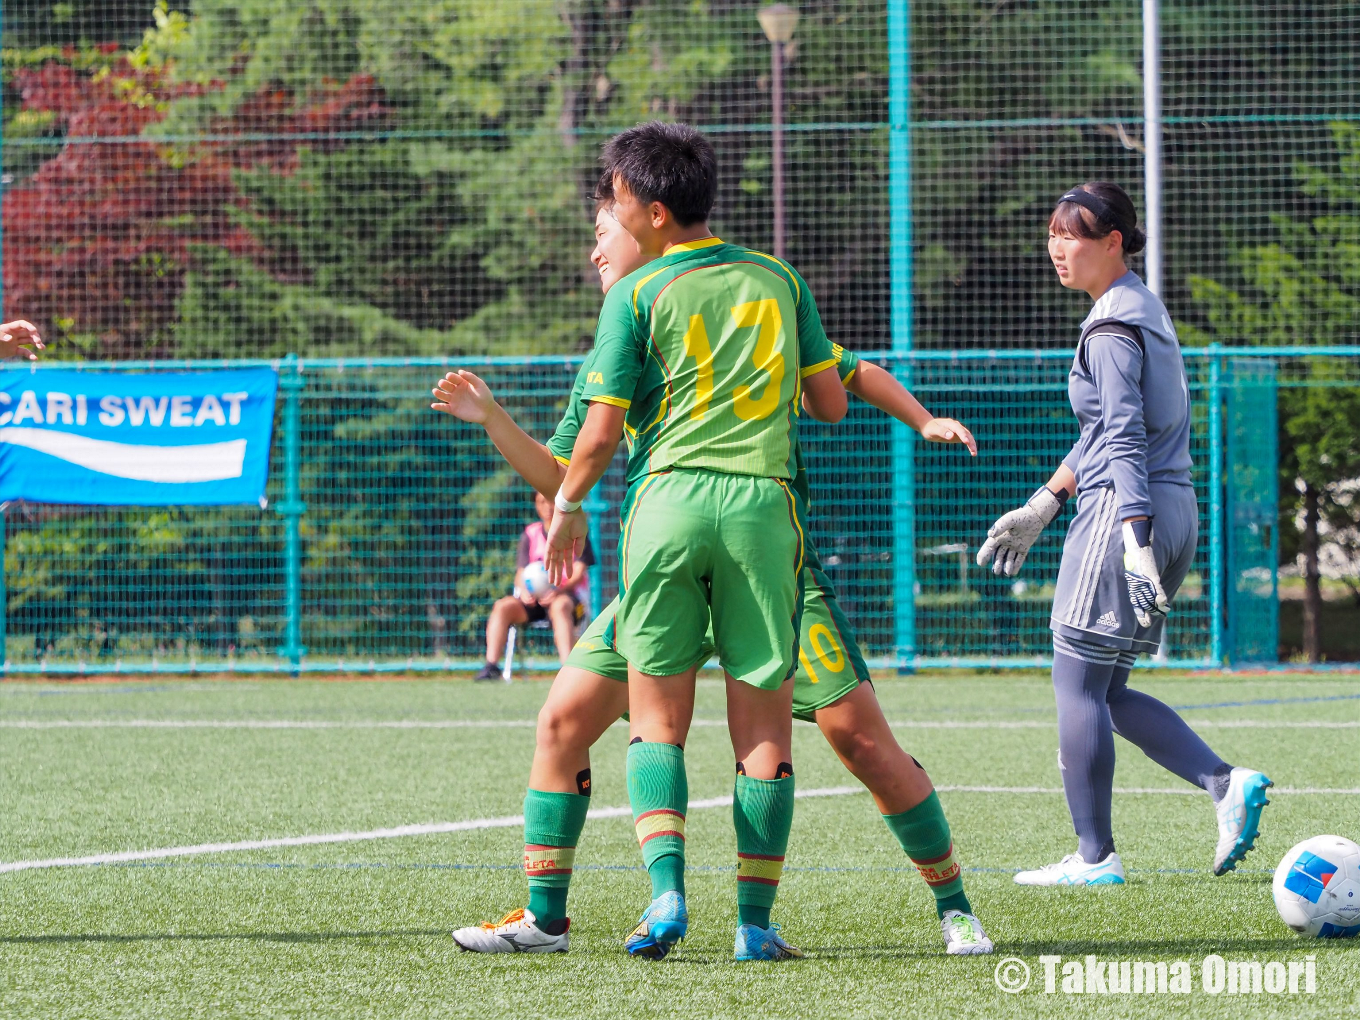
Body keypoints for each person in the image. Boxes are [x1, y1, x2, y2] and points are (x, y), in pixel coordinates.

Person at [439, 170, 992, 958]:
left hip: (754, 563)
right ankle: (547, 920)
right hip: (696, 552)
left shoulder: (727, 292)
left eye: (604, 229)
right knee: (562, 719)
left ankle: (954, 907)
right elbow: (566, 464)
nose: (596, 248)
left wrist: (922, 417)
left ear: (651, 220)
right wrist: (493, 417)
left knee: (862, 744)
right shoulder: (633, 329)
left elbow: (842, 372)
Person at [976, 181, 1272, 887]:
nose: (1056, 247)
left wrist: (1132, 537)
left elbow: (1125, 438)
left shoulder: (1109, 326)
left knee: (1075, 685)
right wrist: (1046, 503)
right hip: (1174, 509)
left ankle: (1094, 856)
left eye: (1071, 234)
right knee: (1107, 692)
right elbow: (1107, 430)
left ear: (1114, 241)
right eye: (1051, 233)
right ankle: (1223, 784)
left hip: (1127, 513)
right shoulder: (1141, 309)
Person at [476, 491, 595, 679]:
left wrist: (558, 590)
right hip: (534, 601)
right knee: (502, 607)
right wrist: (524, 591)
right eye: (542, 501)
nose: (548, 506)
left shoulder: (575, 531)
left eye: (551, 501)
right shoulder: (530, 535)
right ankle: (491, 667)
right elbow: (520, 574)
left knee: (560, 606)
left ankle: (568, 671)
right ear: (536, 506)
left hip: (568, 599)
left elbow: (579, 572)